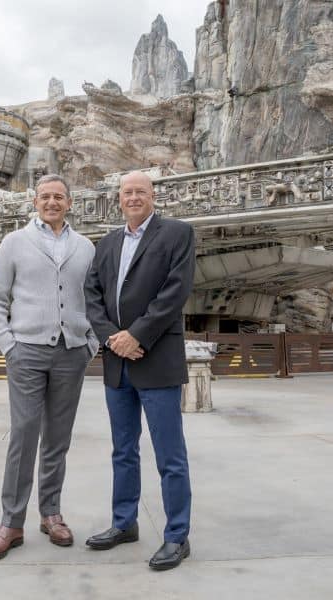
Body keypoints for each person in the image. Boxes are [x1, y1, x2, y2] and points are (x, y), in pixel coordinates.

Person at [0, 174, 99, 562]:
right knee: (24, 434)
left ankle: (51, 514)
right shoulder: (14, 242)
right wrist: (9, 345)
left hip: (71, 352)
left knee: (57, 439)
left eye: (58, 196)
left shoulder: (85, 247)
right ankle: (11, 523)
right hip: (27, 352)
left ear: (69, 202)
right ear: (35, 202)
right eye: (45, 196)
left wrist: (91, 345)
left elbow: (96, 302)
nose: (52, 202)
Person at [84, 170, 196, 571]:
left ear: (153, 196)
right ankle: (124, 523)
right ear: (119, 199)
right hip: (117, 363)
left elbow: (175, 291)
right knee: (123, 451)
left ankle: (176, 536)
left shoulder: (177, 234)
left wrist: (137, 335)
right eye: (127, 192)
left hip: (157, 360)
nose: (133, 197)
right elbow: (92, 294)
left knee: (170, 455)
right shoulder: (108, 242)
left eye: (140, 192)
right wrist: (113, 337)